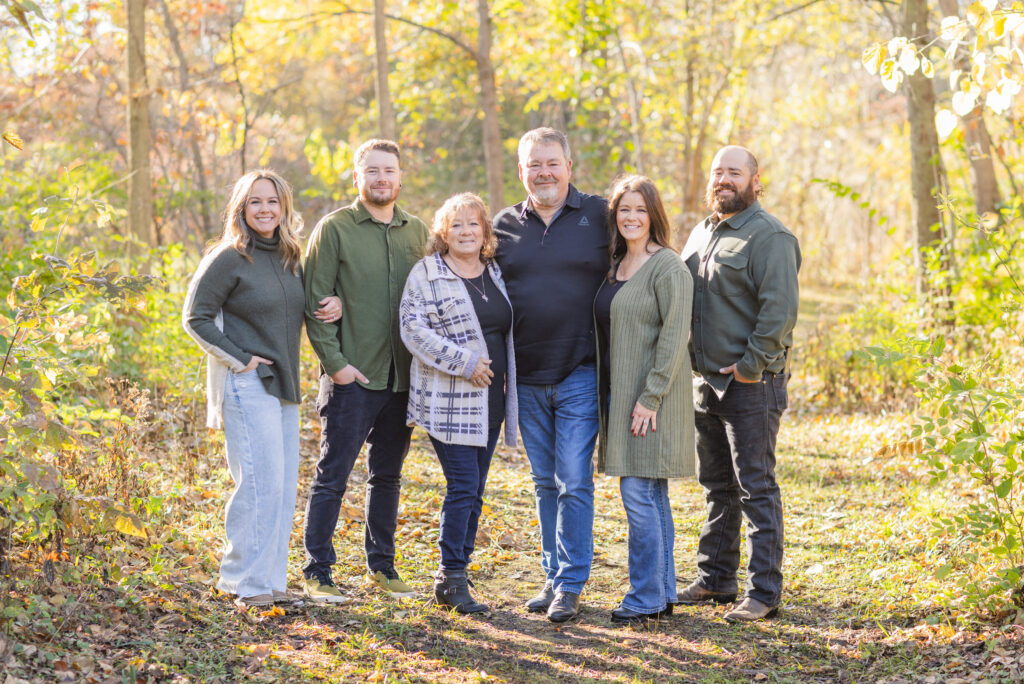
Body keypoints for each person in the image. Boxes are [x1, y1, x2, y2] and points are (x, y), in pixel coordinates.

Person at [182, 170, 341, 608]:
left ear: (284, 207)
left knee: (281, 484)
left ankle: (269, 581)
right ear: (241, 208)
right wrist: (241, 358)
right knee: (256, 482)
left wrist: (335, 302)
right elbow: (194, 318)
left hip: (284, 383)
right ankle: (242, 581)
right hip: (247, 381)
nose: (265, 209)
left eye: (272, 201)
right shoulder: (229, 257)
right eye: (255, 202)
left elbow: (306, 304)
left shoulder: (289, 256)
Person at [301, 139, 430, 603]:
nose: (381, 179)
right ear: (357, 178)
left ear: (400, 177)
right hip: (353, 378)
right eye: (372, 171)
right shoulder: (334, 229)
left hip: (402, 379)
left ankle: (382, 566)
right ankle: (317, 570)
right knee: (332, 474)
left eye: (389, 171)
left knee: (387, 477)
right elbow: (314, 301)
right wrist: (336, 367)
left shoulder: (416, 231)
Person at [679, 145, 801, 622]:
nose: (723, 179)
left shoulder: (769, 236)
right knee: (717, 486)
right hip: (705, 383)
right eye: (717, 172)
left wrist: (751, 365)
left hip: (751, 384)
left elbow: (780, 311)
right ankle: (716, 580)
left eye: (734, 171)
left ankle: (764, 591)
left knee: (755, 487)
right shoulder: (702, 232)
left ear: (755, 179)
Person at [493, 128, 609, 622]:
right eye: (533, 164)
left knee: (574, 480)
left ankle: (571, 583)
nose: (543, 172)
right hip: (525, 376)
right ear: (520, 171)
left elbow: (644, 255)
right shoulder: (501, 226)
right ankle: (551, 575)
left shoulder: (600, 214)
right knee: (544, 481)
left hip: (581, 369)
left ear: (569, 166)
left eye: (552, 163)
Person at [400, 193, 518, 614]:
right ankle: (449, 577)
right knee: (463, 486)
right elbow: (413, 330)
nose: (466, 232)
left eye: (474, 224)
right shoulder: (427, 274)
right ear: (442, 233)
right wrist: (465, 363)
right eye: (457, 225)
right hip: (448, 399)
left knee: (477, 490)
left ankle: (458, 573)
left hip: (491, 400)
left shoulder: (495, 273)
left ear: (485, 232)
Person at [593, 175, 694, 626]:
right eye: (623, 210)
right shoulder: (616, 264)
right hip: (623, 395)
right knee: (651, 494)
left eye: (640, 209)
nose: (631, 218)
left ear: (654, 214)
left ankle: (644, 596)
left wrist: (650, 398)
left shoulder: (668, 267)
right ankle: (663, 591)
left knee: (637, 492)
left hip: (653, 401)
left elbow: (674, 338)